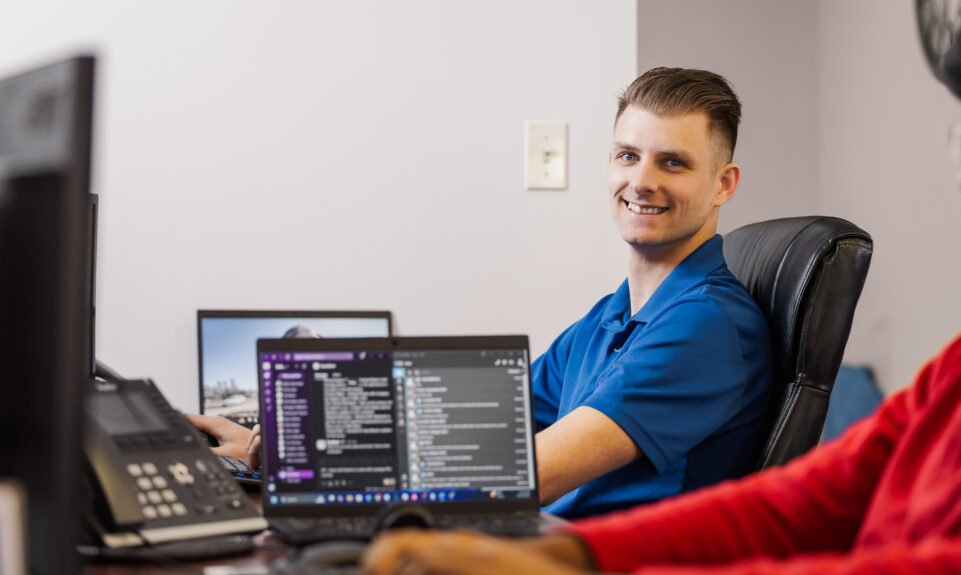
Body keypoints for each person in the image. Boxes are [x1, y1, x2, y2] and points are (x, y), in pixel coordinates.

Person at [359, 1, 961, 575]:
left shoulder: (710, 325)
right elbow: (793, 505)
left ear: (722, 184)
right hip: (603, 574)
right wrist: (561, 563)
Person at [190, 68, 772, 518]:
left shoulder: (708, 327)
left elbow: (526, 470)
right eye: (627, 155)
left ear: (724, 183)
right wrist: (284, 438)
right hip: (541, 551)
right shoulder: (613, 314)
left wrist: (303, 456)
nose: (640, 180)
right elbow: (490, 421)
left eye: (673, 162)